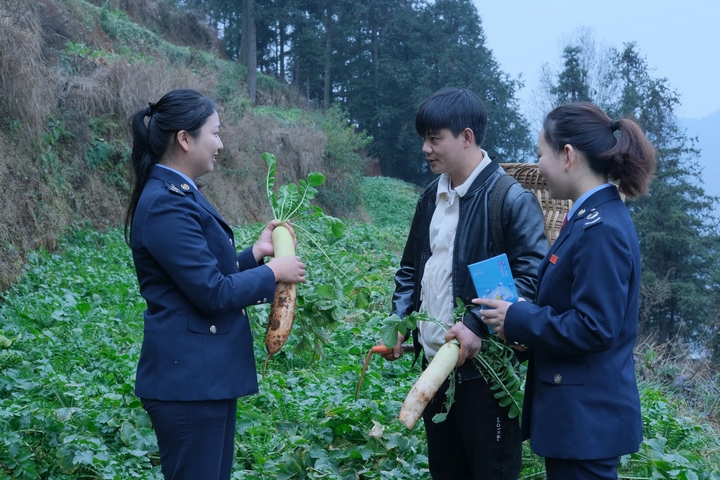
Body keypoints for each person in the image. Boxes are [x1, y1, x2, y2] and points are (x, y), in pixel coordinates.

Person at [124, 88, 306, 480]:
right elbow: (212, 292)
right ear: (185, 139)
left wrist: (254, 255)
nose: (220, 144)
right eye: (215, 133)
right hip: (189, 379)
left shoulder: (178, 194)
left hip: (205, 376)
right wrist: (274, 273)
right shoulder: (165, 202)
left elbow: (202, 275)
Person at [477, 102, 656, 480]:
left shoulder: (601, 229)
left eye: (541, 153)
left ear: (568, 155)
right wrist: (520, 320)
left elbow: (595, 327)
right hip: (576, 422)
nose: (538, 164)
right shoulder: (588, 219)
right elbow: (570, 309)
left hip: (586, 425)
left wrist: (520, 318)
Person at [381, 87, 549, 479]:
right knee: (446, 470)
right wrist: (399, 321)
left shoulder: (508, 199)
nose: (426, 148)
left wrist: (475, 326)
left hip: (484, 372)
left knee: (490, 471)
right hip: (434, 370)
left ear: (467, 137)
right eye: (425, 138)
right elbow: (410, 270)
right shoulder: (430, 198)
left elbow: (532, 278)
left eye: (434, 138)